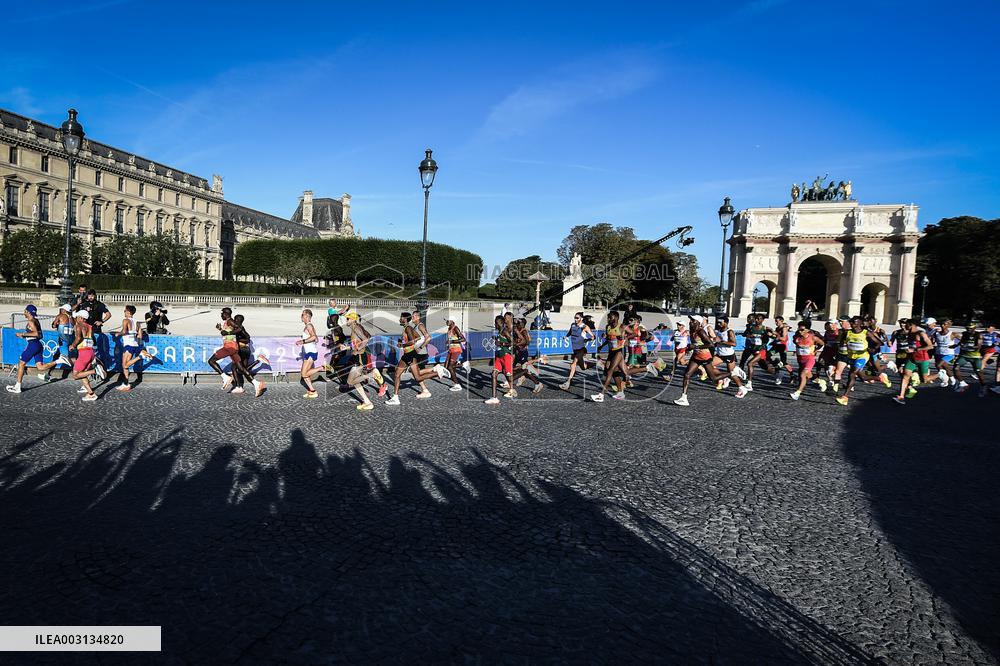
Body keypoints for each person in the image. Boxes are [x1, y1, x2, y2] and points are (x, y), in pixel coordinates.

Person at [673, 317, 747, 406]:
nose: (690, 322)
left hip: (705, 357)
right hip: (697, 356)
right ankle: (684, 398)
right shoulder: (692, 331)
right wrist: (690, 347)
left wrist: (695, 347)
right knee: (687, 375)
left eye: (693, 321)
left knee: (713, 378)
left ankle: (733, 374)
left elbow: (710, 344)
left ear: (698, 323)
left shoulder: (701, 331)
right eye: (690, 320)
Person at [385, 312, 445, 405]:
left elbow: (412, 341)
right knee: (405, 375)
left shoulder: (408, 328)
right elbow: (417, 338)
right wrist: (402, 341)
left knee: (408, 376)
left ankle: (437, 372)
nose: (399, 319)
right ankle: (395, 398)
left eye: (401, 318)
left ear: (405, 319)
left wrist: (403, 344)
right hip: (408, 355)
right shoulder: (407, 328)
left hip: (409, 355)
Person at [5, 305, 67, 393]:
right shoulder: (36, 321)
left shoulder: (31, 321)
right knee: (40, 367)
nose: (24, 312)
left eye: (25, 311)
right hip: (37, 344)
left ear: (28, 312)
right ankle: (58, 361)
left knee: (21, 363)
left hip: (33, 345)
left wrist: (23, 334)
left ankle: (17, 386)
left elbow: (36, 334)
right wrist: (26, 336)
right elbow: (40, 335)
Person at [207, 307, 264, 397]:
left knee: (211, 361)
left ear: (225, 314)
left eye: (222, 314)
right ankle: (256, 384)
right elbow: (228, 333)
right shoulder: (227, 323)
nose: (221, 315)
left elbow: (239, 329)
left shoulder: (230, 321)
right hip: (234, 348)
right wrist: (221, 330)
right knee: (241, 368)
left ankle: (225, 377)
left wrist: (228, 333)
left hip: (229, 348)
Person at [834, 317, 887, 406]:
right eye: (851, 322)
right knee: (863, 378)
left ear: (859, 323)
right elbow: (841, 343)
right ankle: (880, 378)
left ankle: (845, 398)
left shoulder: (866, 333)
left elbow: (880, 343)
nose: (852, 323)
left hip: (862, 357)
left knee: (852, 374)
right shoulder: (847, 333)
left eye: (854, 322)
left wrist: (873, 349)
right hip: (851, 357)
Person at [340, 312, 385, 410]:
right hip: (358, 356)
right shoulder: (354, 329)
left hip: (360, 356)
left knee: (352, 381)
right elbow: (356, 343)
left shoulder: (356, 328)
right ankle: (367, 402)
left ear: (353, 319)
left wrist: (357, 350)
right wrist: (346, 347)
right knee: (352, 381)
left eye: (348, 319)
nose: (346, 321)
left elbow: (365, 340)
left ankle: (372, 375)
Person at [113, 305, 154, 391]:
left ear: (128, 312)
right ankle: (126, 384)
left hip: (128, 345)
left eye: (125, 311)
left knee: (125, 365)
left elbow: (124, 331)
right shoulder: (137, 322)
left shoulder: (125, 320)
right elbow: (140, 336)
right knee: (125, 366)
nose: (124, 312)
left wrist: (118, 334)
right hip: (135, 344)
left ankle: (140, 356)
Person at [893, 319, 934, 405]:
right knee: (905, 376)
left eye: (907, 324)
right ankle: (901, 397)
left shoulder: (921, 333)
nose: (905, 326)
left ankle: (940, 374)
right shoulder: (909, 334)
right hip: (911, 359)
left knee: (924, 380)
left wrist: (915, 349)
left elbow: (930, 346)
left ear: (911, 325)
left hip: (923, 359)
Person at [590, 311, 628, 402]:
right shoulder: (608, 327)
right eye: (608, 318)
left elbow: (634, 333)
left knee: (610, 371)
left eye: (610, 317)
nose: (608, 319)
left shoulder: (622, 326)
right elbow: (609, 339)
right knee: (619, 371)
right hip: (611, 352)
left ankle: (601, 395)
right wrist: (602, 345)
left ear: (615, 318)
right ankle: (620, 392)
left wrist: (625, 338)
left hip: (620, 351)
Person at [78, 289, 111, 382]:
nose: (90, 297)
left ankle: (101, 373)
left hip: (96, 331)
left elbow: (108, 314)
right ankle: (92, 374)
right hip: (86, 332)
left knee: (97, 354)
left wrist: (102, 321)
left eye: (92, 295)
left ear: (95, 296)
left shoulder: (100, 305)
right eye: (89, 295)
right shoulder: (84, 304)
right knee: (88, 355)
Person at [789, 319, 825, 400]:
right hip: (801, 360)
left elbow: (822, 343)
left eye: (802, 330)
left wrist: (815, 350)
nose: (800, 331)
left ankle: (797, 393)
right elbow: (796, 344)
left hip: (809, 359)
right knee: (809, 376)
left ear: (808, 330)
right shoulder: (796, 337)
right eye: (799, 329)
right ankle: (820, 381)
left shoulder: (813, 338)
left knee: (803, 374)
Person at [559, 312, 595, 391]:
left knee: (573, 364)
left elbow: (593, 336)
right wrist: (566, 336)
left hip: (582, 349)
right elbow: (570, 332)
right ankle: (594, 364)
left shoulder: (584, 327)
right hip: (575, 349)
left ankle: (568, 383)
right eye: (575, 317)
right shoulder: (573, 325)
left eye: (577, 318)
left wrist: (590, 338)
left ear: (581, 318)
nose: (575, 319)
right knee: (583, 367)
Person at [69, 310, 99, 402]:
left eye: (77, 317)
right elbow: (92, 339)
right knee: (82, 374)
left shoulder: (79, 325)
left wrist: (73, 345)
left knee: (75, 375)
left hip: (83, 353)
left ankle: (95, 371)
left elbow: (78, 338)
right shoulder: (90, 327)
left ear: (81, 318)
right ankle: (91, 394)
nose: (76, 319)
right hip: (90, 351)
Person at [295, 309, 326, 399]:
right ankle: (312, 391)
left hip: (311, 352)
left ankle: (322, 368)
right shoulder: (308, 326)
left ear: (307, 316)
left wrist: (303, 341)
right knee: (303, 373)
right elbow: (316, 339)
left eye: (303, 315)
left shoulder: (309, 326)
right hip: (308, 352)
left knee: (304, 374)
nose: (301, 317)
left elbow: (314, 337)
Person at [485, 315, 515, 404]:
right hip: (499, 357)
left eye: (496, 322)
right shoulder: (499, 331)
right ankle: (494, 398)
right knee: (493, 374)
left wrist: (501, 343)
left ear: (500, 323)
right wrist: (496, 339)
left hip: (506, 356)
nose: (494, 324)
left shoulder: (505, 331)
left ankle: (513, 387)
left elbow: (512, 342)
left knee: (509, 375)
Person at [951, 326, 987, 396]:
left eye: (970, 328)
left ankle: (983, 386)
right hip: (964, 355)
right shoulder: (965, 333)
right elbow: (962, 341)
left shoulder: (978, 335)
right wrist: (956, 345)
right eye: (967, 328)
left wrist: (967, 346)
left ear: (974, 328)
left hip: (975, 357)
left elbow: (978, 347)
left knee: (978, 372)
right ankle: (963, 383)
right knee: (955, 368)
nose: (968, 330)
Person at [438, 319, 466, 391]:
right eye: (446, 320)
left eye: (448, 321)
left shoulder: (455, 328)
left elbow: (463, 339)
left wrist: (452, 341)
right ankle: (460, 366)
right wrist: (448, 343)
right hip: (451, 350)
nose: (446, 322)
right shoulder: (449, 328)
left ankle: (457, 384)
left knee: (450, 367)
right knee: (446, 367)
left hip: (456, 350)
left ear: (452, 321)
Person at [931, 319, 958, 386]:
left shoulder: (952, 334)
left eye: (944, 324)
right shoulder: (936, 333)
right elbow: (930, 340)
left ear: (948, 325)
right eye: (941, 324)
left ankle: (945, 380)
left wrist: (956, 345)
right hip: (938, 353)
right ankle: (952, 379)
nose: (942, 325)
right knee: (945, 367)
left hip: (948, 353)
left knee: (938, 365)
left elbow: (963, 340)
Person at [770, 316, 794, 385]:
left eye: (777, 321)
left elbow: (783, 338)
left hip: (782, 347)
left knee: (784, 362)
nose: (776, 322)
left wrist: (775, 334)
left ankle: (792, 375)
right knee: (768, 355)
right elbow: (776, 337)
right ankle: (777, 364)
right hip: (776, 346)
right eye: (775, 321)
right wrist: (771, 336)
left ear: (782, 321)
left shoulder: (784, 328)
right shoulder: (777, 328)